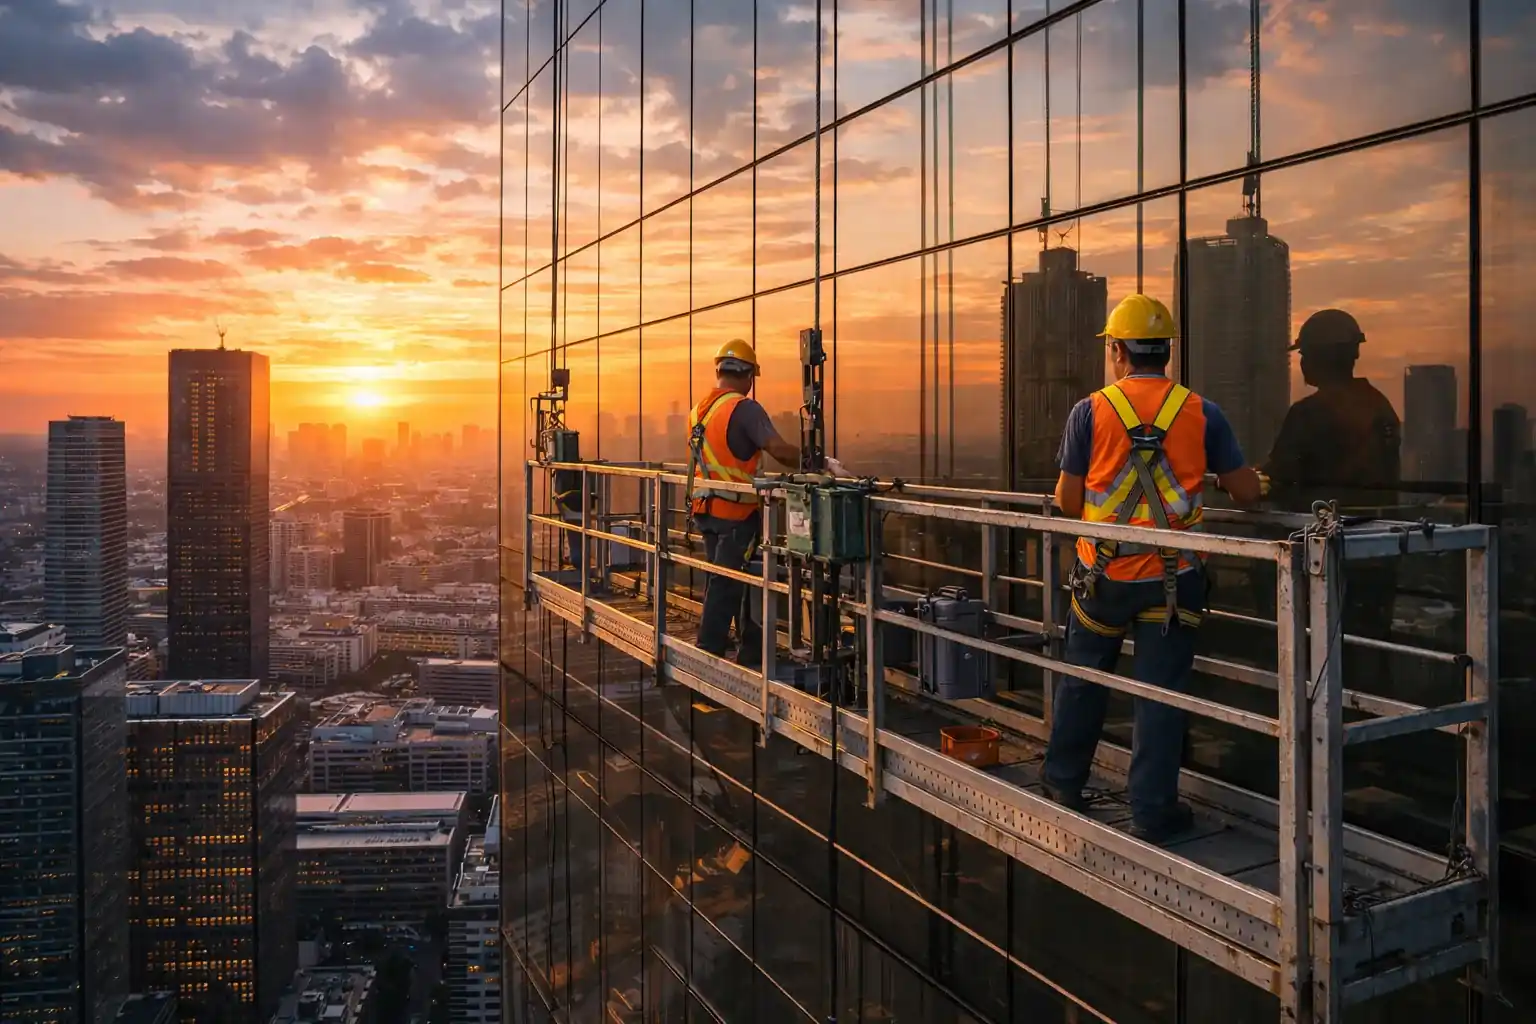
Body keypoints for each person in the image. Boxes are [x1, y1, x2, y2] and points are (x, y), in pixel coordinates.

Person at [1042, 294, 1265, 843]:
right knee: (1161, 695)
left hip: (1105, 578)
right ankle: (1152, 809)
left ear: (1117, 351)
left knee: (1085, 679)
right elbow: (1247, 493)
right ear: (1166, 352)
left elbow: (1068, 502)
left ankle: (1064, 781)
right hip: (1173, 582)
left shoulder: (1089, 412)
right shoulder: (1202, 412)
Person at [1263, 308, 1401, 688]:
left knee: (1321, 658)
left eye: (1305, 354)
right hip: (1375, 550)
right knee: (1370, 653)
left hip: (1328, 554)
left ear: (1324, 356)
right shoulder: (1379, 406)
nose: (1302, 362)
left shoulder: (1312, 413)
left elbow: (1278, 474)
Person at [688, 338, 847, 667]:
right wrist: (819, 462)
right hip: (736, 511)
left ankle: (747, 648)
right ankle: (709, 650)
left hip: (707, 508)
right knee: (729, 580)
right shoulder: (743, 408)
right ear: (747, 374)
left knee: (727, 577)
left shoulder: (700, 410)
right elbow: (777, 448)